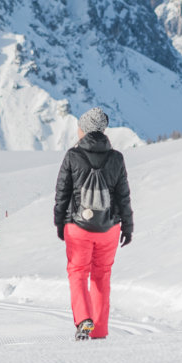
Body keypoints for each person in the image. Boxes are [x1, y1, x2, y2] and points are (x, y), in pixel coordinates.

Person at [52, 107, 132, 340]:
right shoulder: (116, 158)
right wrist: (127, 226)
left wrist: (59, 222)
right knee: (102, 275)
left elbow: (62, 193)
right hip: (109, 227)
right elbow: (123, 196)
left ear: (85, 129)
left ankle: (83, 319)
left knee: (78, 273)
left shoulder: (72, 156)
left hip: (77, 228)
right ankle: (99, 330)